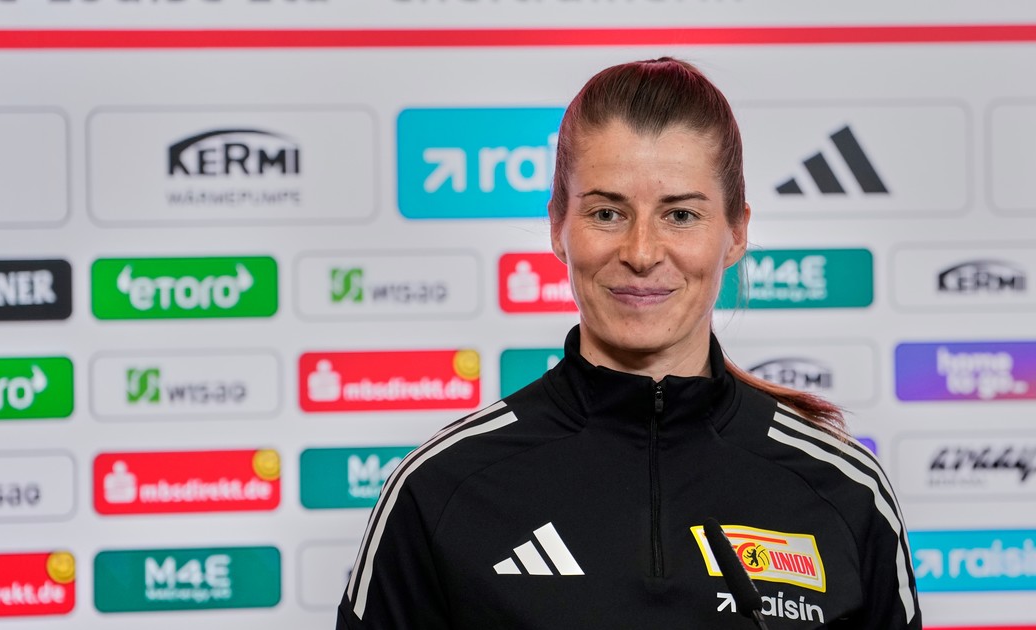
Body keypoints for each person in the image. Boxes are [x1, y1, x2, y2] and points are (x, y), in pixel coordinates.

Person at [336, 58, 921, 629]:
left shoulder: (844, 492)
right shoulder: (441, 488)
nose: (641, 253)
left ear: (737, 232)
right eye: (607, 213)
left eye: (681, 215)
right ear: (558, 227)